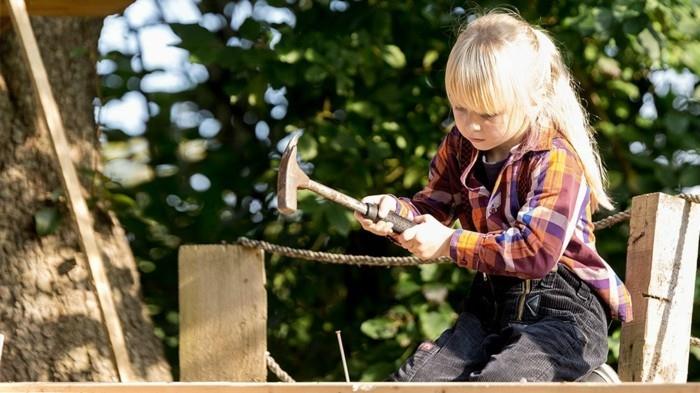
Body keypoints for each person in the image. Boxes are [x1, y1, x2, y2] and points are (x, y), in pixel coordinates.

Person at [354, 10, 632, 382]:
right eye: (460, 108)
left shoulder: (556, 158)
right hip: (489, 304)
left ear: (534, 102)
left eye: (488, 113)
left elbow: (535, 252)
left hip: (562, 310)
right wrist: (394, 213)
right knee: (413, 384)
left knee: (498, 385)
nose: (470, 125)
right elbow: (432, 208)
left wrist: (449, 242)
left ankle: (588, 378)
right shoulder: (460, 146)